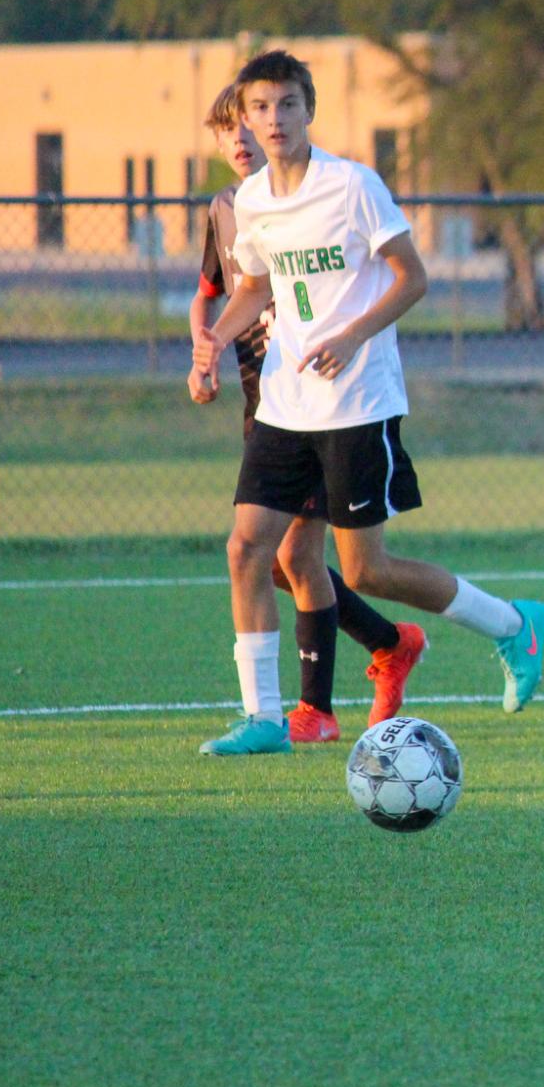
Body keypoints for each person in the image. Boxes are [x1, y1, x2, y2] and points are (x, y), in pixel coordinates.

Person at [191, 48, 544, 755]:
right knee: (247, 549)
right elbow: (256, 289)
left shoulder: (351, 185)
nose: (272, 120)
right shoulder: (253, 200)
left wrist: (353, 335)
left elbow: (411, 279)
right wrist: (210, 339)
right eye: (258, 108)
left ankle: (514, 623)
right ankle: (265, 719)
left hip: (356, 403)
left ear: (308, 110)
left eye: (286, 105)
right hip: (283, 407)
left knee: (364, 571)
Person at [186, 82, 425, 743]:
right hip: (264, 399)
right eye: (231, 125)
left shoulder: (330, 192)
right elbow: (216, 295)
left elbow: (398, 276)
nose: (243, 135)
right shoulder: (230, 208)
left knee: (300, 555)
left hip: (330, 400)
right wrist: (203, 354)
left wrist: (349, 337)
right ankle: (382, 645)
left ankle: (313, 709)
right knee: (264, 558)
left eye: (256, 118)